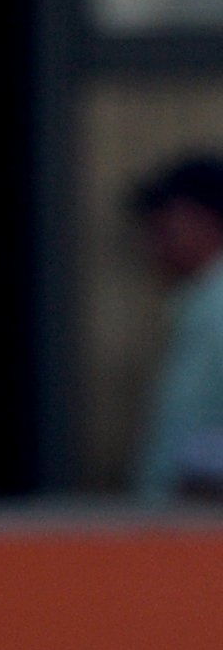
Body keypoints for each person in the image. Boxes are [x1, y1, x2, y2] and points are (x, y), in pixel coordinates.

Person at [131, 157, 223, 500]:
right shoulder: (198, 305)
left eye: (164, 224)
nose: (152, 243)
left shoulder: (218, 309)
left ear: (207, 220)